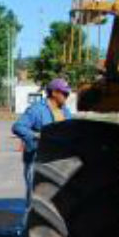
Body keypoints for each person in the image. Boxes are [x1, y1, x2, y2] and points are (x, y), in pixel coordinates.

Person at [12, 78, 74, 216]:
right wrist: (36, 136)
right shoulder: (36, 110)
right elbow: (18, 127)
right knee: (35, 199)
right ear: (54, 93)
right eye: (64, 93)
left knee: (56, 200)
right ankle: (26, 232)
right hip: (36, 160)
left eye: (67, 93)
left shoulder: (65, 111)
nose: (66, 96)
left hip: (58, 163)